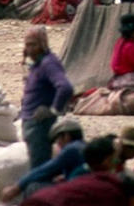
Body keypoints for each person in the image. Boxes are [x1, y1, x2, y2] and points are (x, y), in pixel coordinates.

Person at [20, 25, 74, 169]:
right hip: (31, 123)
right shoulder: (37, 64)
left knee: (39, 167)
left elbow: (65, 87)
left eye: (33, 45)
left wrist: (53, 110)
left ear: (42, 44)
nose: (29, 49)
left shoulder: (48, 63)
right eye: (27, 45)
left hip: (40, 125)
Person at [7, 117, 88, 198]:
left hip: (77, 194)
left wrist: (18, 187)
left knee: (33, 187)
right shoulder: (85, 146)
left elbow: (45, 170)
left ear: (66, 136)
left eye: (57, 140)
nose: (58, 144)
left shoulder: (71, 149)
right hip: (86, 190)